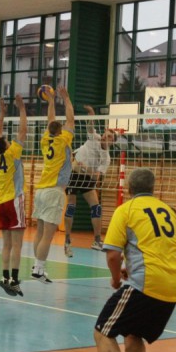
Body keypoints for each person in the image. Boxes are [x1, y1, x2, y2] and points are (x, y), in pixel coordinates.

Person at [83, 168, 176, 352]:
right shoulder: (169, 211)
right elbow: (161, 249)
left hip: (145, 284)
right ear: (153, 187)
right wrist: (133, 267)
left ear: (128, 188)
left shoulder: (126, 210)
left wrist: (116, 279)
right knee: (133, 333)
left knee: (103, 332)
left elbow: (113, 255)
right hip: (172, 285)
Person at [30, 85, 74, 283]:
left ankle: (37, 267)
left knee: (40, 232)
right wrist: (66, 98)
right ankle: (39, 270)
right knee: (47, 235)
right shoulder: (64, 140)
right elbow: (71, 120)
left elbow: (51, 119)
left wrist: (50, 101)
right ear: (61, 131)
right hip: (54, 191)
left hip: (41, 190)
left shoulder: (45, 139)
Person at [63, 105, 116, 257]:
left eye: (110, 137)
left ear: (112, 142)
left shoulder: (106, 158)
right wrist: (92, 113)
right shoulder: (94, 138)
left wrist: (85, 168)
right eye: (106, 134)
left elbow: (95, 178)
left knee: (96, 207)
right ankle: (67, 239)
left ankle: (97, 241)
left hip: (87, 177)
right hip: (74, 174)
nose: (106, 137)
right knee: (71, 206)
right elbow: (90, 126)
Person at [0, 95, 28, 297]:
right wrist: (21, 108)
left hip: (0, 203)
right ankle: (14, 280)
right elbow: (23, 131)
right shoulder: (12, 154)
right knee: (17, 244)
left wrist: (2, 113)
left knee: (6, 244)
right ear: (6, 146)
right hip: (14, 201)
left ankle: (5, 278)